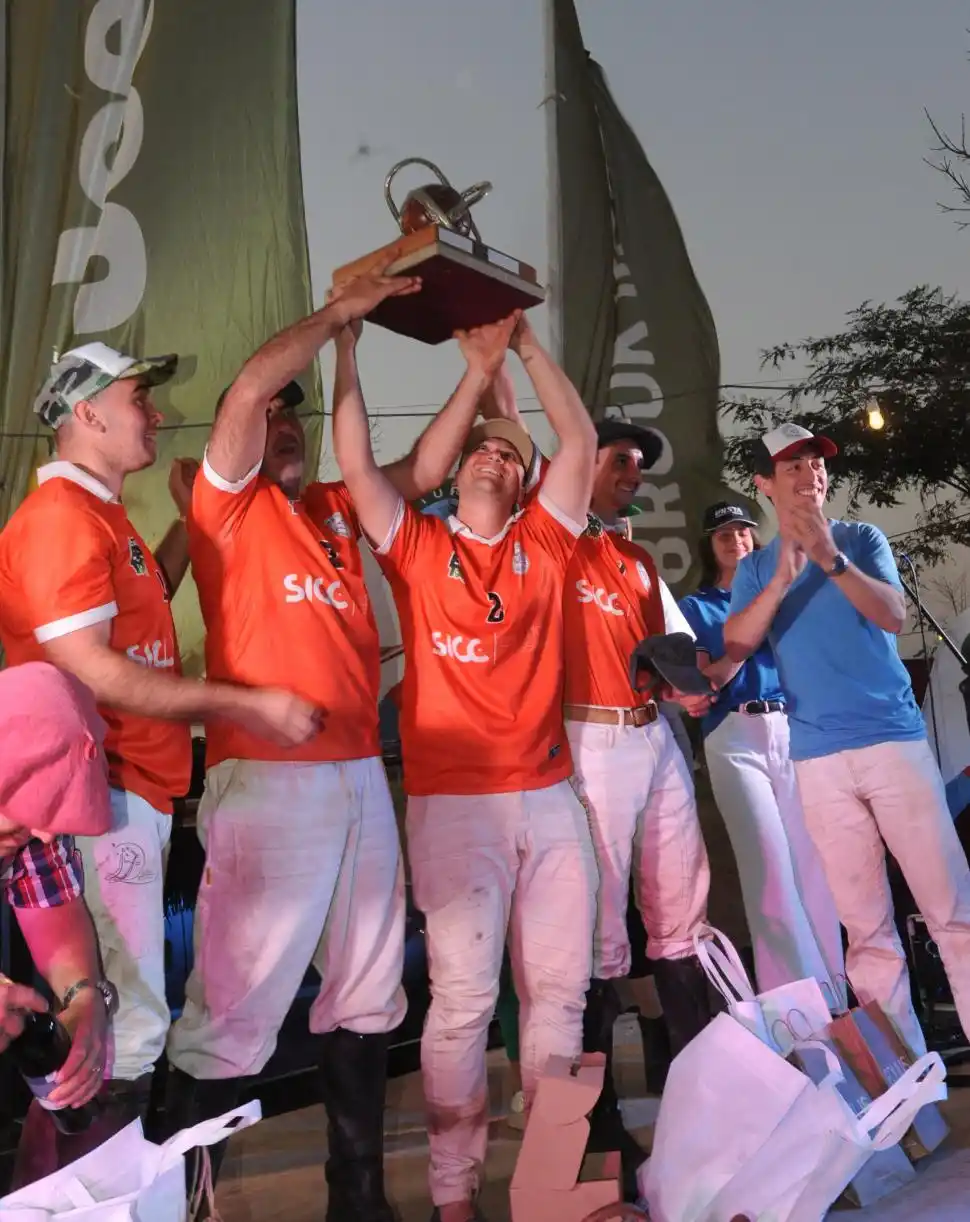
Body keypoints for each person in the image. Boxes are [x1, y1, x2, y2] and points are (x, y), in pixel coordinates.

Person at [165, 268, 515, 1222]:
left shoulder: (327, 505)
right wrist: (340, 318)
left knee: (368, 1003)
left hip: (359, 774)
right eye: (271, 416)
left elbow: (428, 472)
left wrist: (478, 375)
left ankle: (356, 1199)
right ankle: (176, 1205)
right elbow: (244, 390)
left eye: (296, 417)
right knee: (231, 1018)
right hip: (270, 781)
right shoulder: (223, 506)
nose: (282, 423)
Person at [0, 343, 318, 1154]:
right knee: (123, 1026)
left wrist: (190, 519)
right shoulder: (60, 522)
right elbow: (95, 673)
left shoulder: (105, 518)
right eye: (140, 397)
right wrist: (246, 704)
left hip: (126, 791)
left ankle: (98, 1196)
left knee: (118, 1020)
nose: (158, 413)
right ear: (86, 413)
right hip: (97, 797)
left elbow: (141, 614)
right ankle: (95, 1200)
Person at [333, 309, 597, 1222]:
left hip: (550, 800)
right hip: (454, 804)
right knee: (460, 1007)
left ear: (527, 485)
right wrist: (345, 348)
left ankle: (550, 1189)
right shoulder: (418, 546)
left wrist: (523, 345)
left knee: (559, 998)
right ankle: (454, 1198)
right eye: (486, 450)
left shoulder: (546, 546)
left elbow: (582, 437)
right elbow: (363, 470)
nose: (497, 458)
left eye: (512, 457)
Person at [723, 422, 970, 1055]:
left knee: (953, 913)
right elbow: (737, 646)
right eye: (793, 467)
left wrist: (831, 559)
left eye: (815, 463)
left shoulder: (862, 538)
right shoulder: (754, 568)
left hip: (893, 743)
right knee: (865, 932)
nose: (810, 475)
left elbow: (892, 614)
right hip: (818, 760)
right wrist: (784, 573)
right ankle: (911, 1090)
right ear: (765, 485)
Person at [679, 501, 844, 999]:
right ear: (709, 545)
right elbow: (704, 682)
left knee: (814, 866)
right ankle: (798, 1007)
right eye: (723, 533)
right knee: (769, 872)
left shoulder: (784, 595)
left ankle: (838, 996)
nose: (736, 540)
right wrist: (743, 641)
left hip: (792, 726)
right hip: (734, 732)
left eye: (744, 532)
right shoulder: (696, 606)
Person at [0, 663, 115, 1184]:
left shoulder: (30, 832)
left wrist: (86, 995)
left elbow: (57, 915)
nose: (45, 832)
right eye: (30, 806)